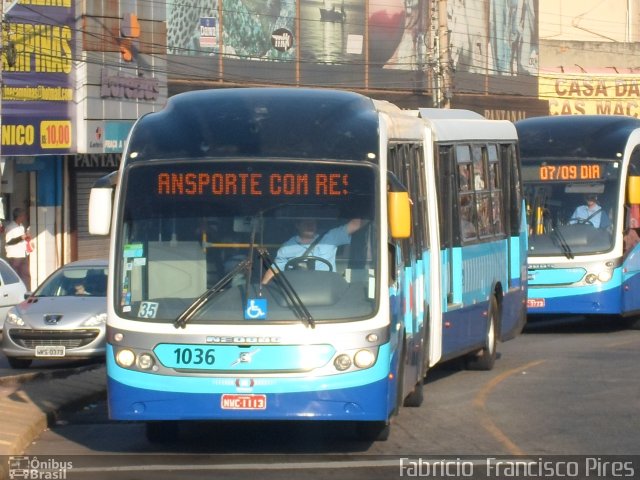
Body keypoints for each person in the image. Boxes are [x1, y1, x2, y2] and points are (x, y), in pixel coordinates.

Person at [261, 218, 367, 284]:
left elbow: (356, 224)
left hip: (327, 288)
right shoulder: (287, 247)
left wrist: (373, 208)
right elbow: (273, 271)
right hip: (298, 291)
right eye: (306, 222)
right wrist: (262, 291)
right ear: (297, 225)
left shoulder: (331, 237)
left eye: (312, 222)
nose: (310, 225)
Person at [4, 207, 32, 288]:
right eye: (23, 215)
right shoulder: (11, 227)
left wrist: (26, 237)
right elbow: (9, 241)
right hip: (14, 256)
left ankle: (26, 291)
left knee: (26, 276)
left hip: (23, 254)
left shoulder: (21, 226)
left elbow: (22, 239)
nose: (25, 217)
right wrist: (21, 238)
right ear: (19, 216)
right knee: (16, 277)